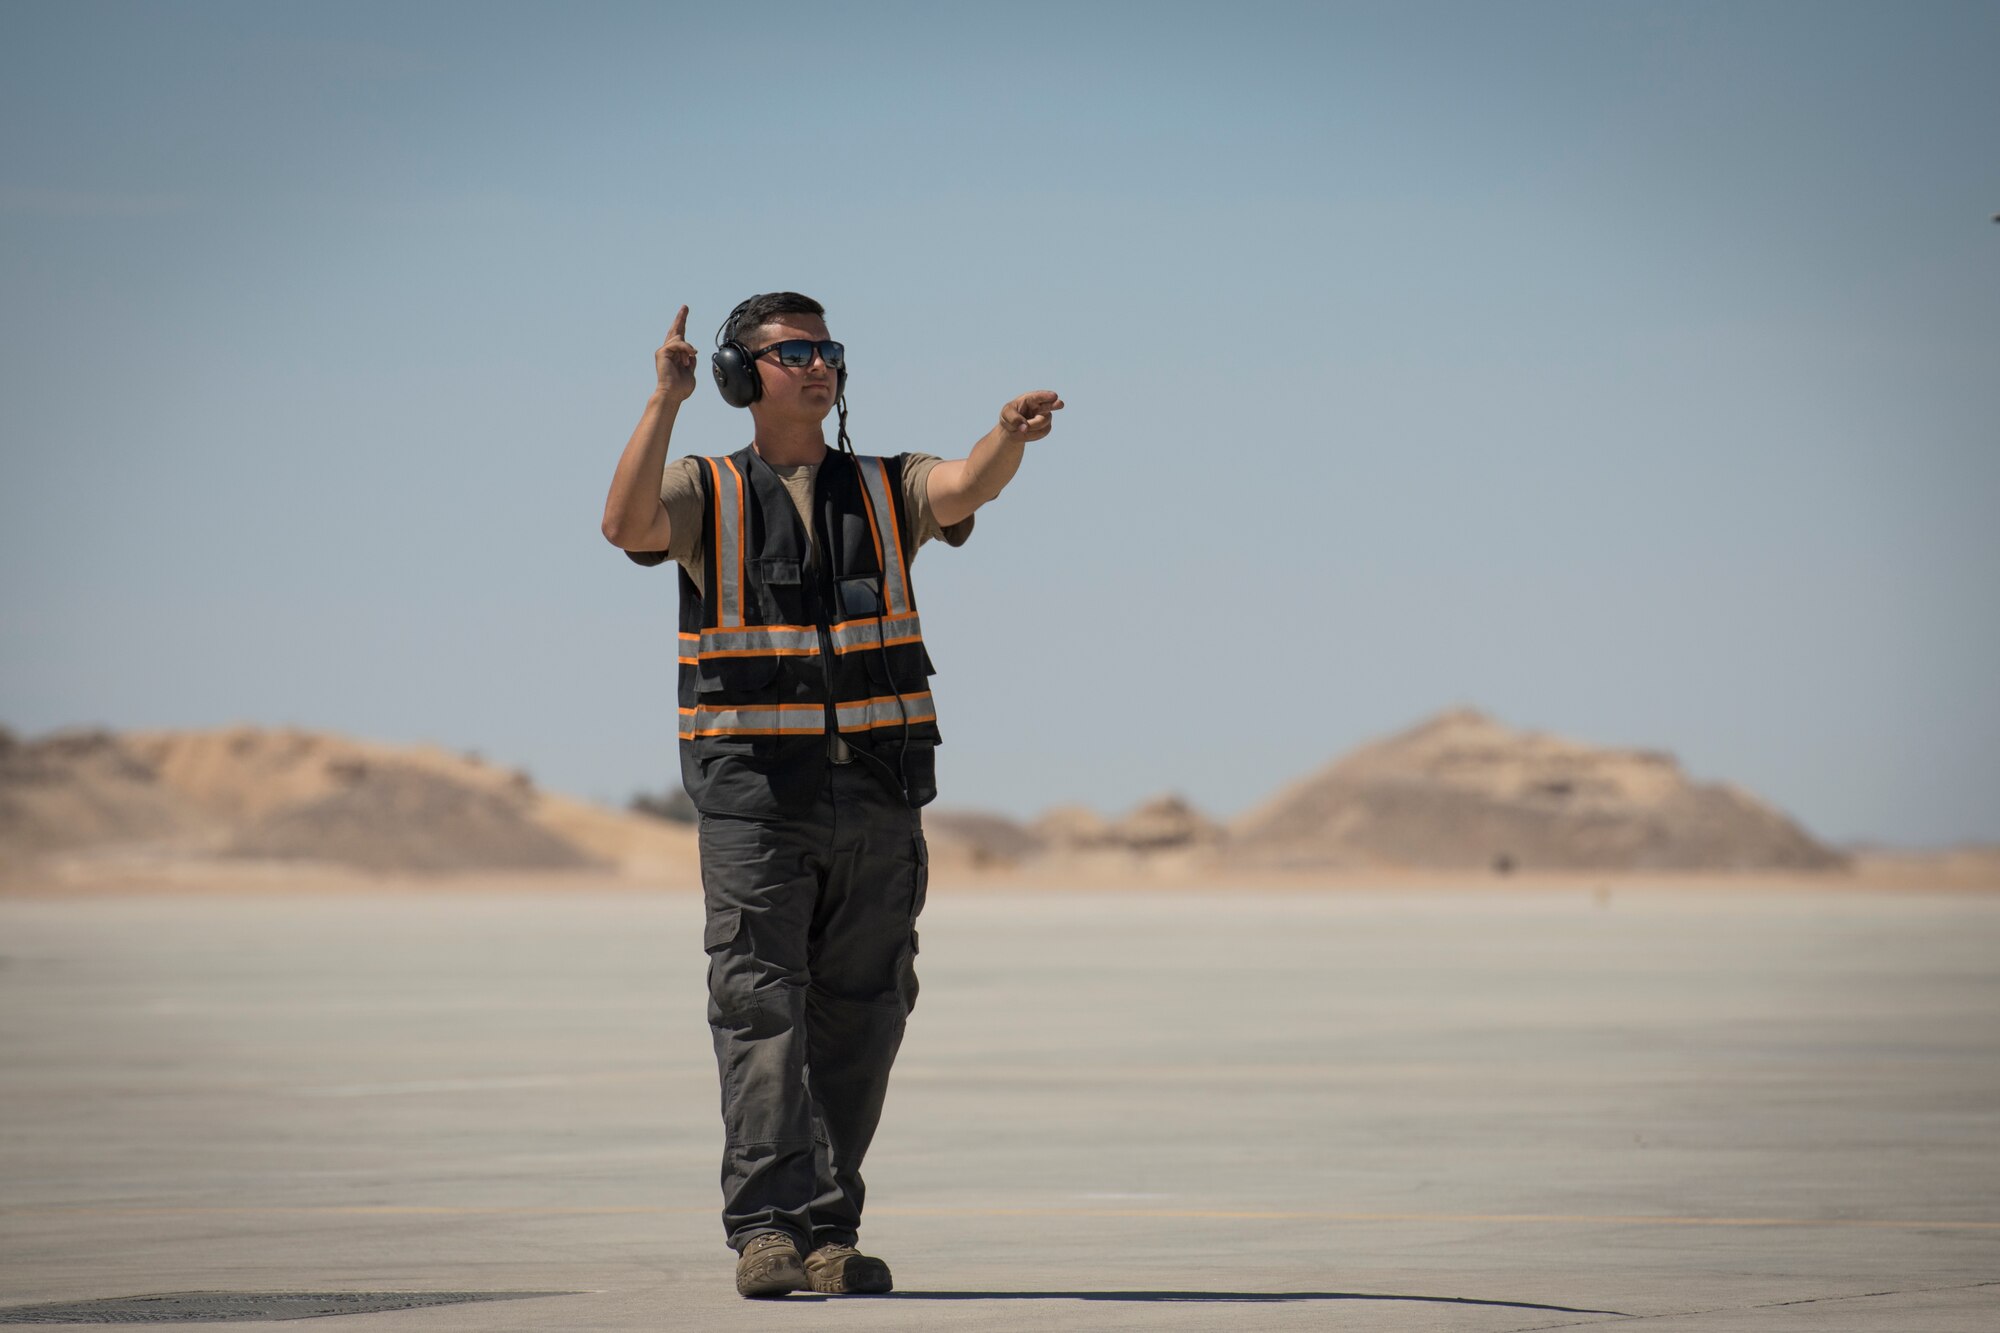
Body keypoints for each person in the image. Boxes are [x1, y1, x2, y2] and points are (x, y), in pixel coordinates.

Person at [600, 292, 1061, 1298]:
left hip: (879, 796)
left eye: (827, 349)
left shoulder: (884, 486)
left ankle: (827, 1229)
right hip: (756, 801)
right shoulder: (704, 488)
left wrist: (1006, 434)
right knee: (760, 1006)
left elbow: (962, 484)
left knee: (864, 1009)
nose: (817, 364)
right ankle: (764, 1228)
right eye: (792, 351)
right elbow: (624, 523)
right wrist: (662, 401)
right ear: (741, 376)